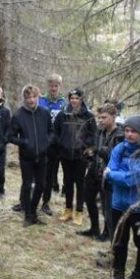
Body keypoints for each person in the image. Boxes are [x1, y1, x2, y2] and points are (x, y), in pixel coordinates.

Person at [104, 115, 140, 279]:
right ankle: (118, 274)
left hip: (139, 206)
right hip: (118, 203)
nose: (129, 134)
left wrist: (113, 174)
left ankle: (138, 273)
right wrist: (117, 174)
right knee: (119, 241)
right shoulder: (119, 148)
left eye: (134, 131)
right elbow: (113, 169)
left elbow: (132, 179)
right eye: (127, 130)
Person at [79, 103, 124, 240]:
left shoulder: (120, 136)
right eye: (99, 118)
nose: (101, 120)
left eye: (104, 117)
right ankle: (94, 228)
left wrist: (98, 151)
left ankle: (108, 233)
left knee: (107, 207)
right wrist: (89, 154)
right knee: (87, 197)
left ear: (113, 116)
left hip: (109, 174)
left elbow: (115, 157)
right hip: (95, 170)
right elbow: (96, 147)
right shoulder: (100, 132)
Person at [9, 85, 53, 226]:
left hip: (42, 156)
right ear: (24, 99)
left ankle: (33, 213)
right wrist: (24, 142)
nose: (31, 100)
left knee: (41, 185)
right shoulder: (18, 115)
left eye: (33, 97)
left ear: (38, 97)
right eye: (28, 97)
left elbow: (51, 131)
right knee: (27, 186)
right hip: (26, 157)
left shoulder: (45, 113)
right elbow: (10, 136)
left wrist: (46, 142)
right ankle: (28, 215)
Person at [53, 89, 95, 225]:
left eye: (76, 98)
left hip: (80, 156)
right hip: (65, 155)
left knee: (80, 183)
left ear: (81, 99)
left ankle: (79, 212)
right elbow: (55, 132)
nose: (74, 100)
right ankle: (68, 209)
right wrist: (61, 145)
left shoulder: (88, 116)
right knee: (68, 182)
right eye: (72, 98)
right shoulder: (62, 114)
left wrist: (85, 147)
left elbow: (93, 135)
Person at [38, 73, 66, 215]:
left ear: (59, 86)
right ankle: (33, 199)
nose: (53, 88)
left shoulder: (64, 103)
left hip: (56, 145)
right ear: (48, 86)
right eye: (51, 85)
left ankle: (46, 202)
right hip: (42, 143)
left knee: (50, 175)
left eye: (56, 85)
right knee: (39, 173)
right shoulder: (41, 101)